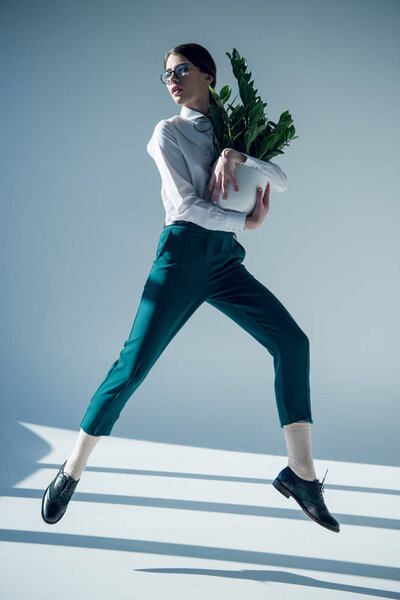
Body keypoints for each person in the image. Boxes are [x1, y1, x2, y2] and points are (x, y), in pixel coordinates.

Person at [41, 43, 340, 533]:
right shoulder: (168, 133)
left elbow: (279, 180)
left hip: (222, 261)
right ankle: (71, 470)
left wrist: (235, 152)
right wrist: (244, 224)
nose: (172, 79)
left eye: (181, 70)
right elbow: (184, 206)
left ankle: (301, 474)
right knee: (131, 367)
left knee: (292, 342)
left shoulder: (235, 127)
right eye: (165, 75)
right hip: (181, 257)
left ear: (208, 75)